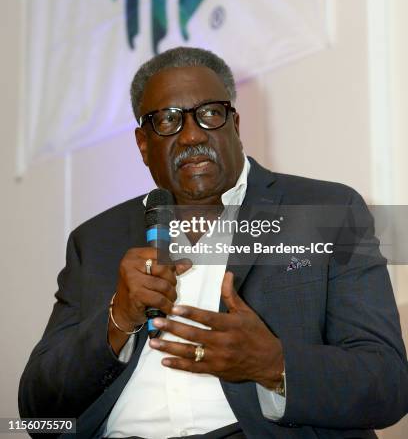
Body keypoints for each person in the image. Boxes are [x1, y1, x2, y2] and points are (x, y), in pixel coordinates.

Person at [19, 47, 408, 439]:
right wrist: (117, 319)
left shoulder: (328, 211)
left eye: (209, 113)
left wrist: (273, 364)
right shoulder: (96, 240)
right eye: (168, 120)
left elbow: (388, 383)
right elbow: (37, 414)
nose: (191, 135)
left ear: (235, 124)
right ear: (142, 144)